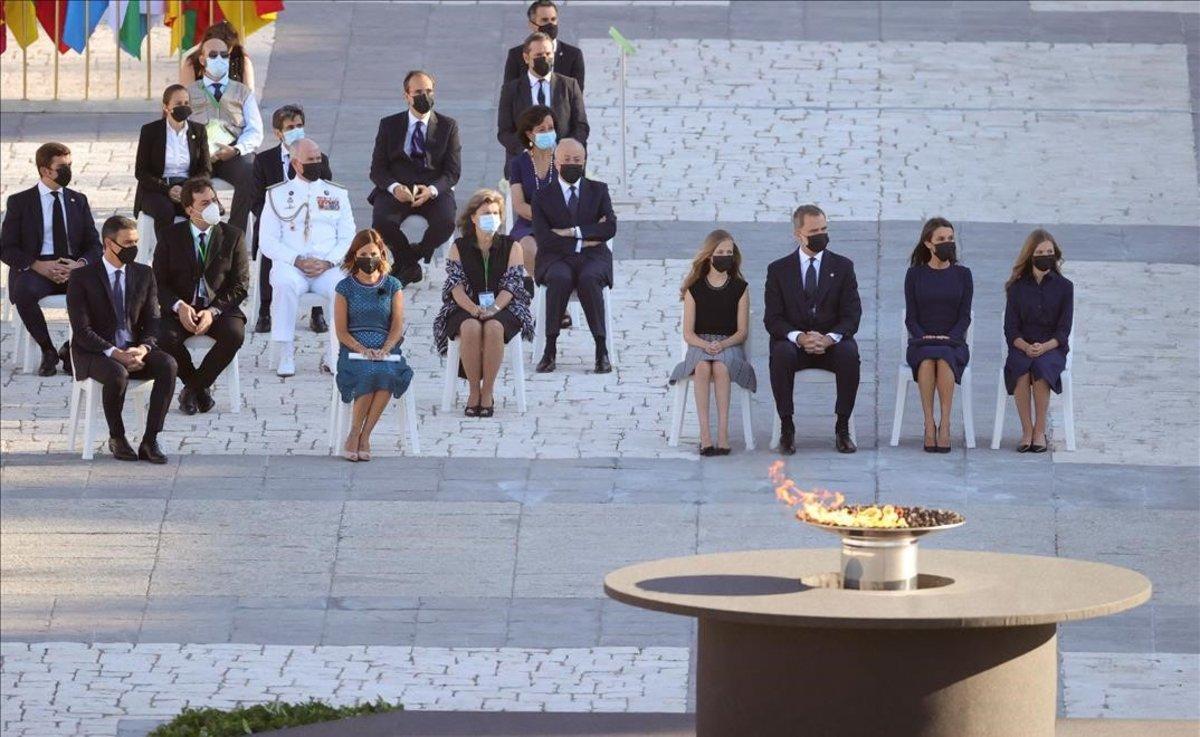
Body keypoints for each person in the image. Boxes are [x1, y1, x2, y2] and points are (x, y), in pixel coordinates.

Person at [66, 216, 178, 464]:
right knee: (117, 374)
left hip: (133, 348)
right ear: (109, 243)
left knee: (168, 365)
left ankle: (150, 440)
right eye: (127, 243)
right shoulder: (82, 277)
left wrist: (143, 348)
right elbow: (82, 330)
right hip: (95, 352)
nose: (133, 249)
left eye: (136, 242)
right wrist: (115, 353)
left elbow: (153, 320)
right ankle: (117, 437)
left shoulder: (144, 274)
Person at [764, 204, 862, 455]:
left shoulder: (843, 267)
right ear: (798, 234)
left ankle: (842, 427)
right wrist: (800, 337)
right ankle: (787, 427)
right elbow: (772, 319)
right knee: (781, 353)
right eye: (814, 230)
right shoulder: (778, 270)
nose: (822, 235)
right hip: (795, 345)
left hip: (830, 344)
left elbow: (852, 316)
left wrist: (829, 339)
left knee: (850, 353)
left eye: (824, 229)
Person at [0, 142, 102, 376]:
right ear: (45, 170)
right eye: (62, 166)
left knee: (105, 291)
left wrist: (80, 265)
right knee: (23, 292)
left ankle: (72, 348)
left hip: (73, 266)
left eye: (70, 164)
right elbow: (6, 248)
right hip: (36, 266)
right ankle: (48, 350)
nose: (68, 170)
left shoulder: (79, 200)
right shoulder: (20, 202)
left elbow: (94, 245)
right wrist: (37, 265)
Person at [258, 138, 355, 377]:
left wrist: (329, 261)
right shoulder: (277, 195)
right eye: (310, 160)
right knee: (284, 283)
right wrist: (296, 260)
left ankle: (336, 354)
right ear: (296, 163)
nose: (316, 164)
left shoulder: (337, 193)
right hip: (293, 265)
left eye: (318, 159)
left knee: (342, 288)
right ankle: (286, 352)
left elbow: (348, 236)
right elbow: (267, 241)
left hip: (327, 265)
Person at [433, 189, 534, 416]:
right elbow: (455, 286)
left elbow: (512, 285)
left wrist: (493, 309)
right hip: (465, 305)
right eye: (486, 212)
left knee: (494, 327)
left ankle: (487, 391)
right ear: (474, 217)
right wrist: (473, 308)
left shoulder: (512, 247)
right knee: (470, 326)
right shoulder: (458, 247)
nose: (492, 217)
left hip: (504, 306)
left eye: (496, 213)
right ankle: (473, 392)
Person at [153, 178, 249, 416]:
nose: (213, 205)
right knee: (164, 337)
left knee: (234, 335)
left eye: (214, 199)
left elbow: (241, 285)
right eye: (205, 202)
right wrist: (179, 306)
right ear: (189, 209)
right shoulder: (169, 237)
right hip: (182, 308)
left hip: (219, 309)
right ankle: (199, 389)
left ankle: (193, 388)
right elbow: (158, 283)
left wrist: (213, 311)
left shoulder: (233, 236)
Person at [368, 70, 462, 286]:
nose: (424, 96)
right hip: (398, 189)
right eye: (418, 91)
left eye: (428, 91)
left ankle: (410, 261)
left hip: (433, 191)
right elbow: (377, 169)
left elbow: (453, 172)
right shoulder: (389, 125)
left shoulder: (448, 126)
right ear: (407, 96)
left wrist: (432, 190)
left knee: (446, 222)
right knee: (382, 222)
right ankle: (410, 265)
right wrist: (394, 187)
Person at [531, 138, 616, 374]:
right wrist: (585, 239)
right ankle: (550, 349)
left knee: (590, 280)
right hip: (555, 258)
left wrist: (572, 233)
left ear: (585, 161)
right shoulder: (542, 196)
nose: (572, 164)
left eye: (577, 160)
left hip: (594, 258)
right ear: (556, 162)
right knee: (559, 279)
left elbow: (609, 228)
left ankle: (601, 349)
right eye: (567, 160)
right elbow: (544, 238)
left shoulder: (599, 190)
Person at [669, 230, 756, 456]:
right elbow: (688, 333)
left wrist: (723, 345)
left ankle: (723, 434)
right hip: (700, 343)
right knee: (702, 367)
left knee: (719, 366)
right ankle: (705, 434)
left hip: (730, 345)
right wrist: (704, 344)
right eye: (720, 252)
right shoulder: (694, 289)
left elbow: (742, 331)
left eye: (729, 252)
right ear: (709, 255)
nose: (725, 256)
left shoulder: (740, 288)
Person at [250, 104, 333, 335]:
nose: (295, 130)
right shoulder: (264, 161)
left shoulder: (319, 159)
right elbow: (256, 200)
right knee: (271, 247)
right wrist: (280, 221)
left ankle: (317, 311)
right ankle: (265, 309)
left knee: (316, 246)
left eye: (299, 126)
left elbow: (327, 196)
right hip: (275, 224)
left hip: (310, 225)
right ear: (278, 132)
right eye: (290, 127)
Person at [333, 229, 414, 462]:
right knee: (369, 371)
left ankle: (364, 435)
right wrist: (362, 349)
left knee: (386, 372)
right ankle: (354, 434)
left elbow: (397, 325)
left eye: (373, 253)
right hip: (354, 348)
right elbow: (341, 331)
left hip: (385, 347)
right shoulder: (344, 288)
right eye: (364, 253)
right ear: (354, 256)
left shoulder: (393, 285)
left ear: (381, 255)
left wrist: (386, 348)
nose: (369, 258)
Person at [904, 217, 973, 453]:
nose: (947, 243)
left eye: (950, 239)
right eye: (941, 239)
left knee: (943, 358)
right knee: (926, 360)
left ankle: (945, 423)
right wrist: (924, 337)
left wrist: (950, 337)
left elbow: (965, 316)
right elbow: (911, 317)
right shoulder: (914, 275)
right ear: (928, 244)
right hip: (921, 341)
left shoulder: (963, 274)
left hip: (953, 342)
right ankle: (928, 424)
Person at [1004, 229, 1074, 454]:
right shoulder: (1016, 288)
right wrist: (1025, 346)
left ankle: (1040, 430)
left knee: (1042, 367)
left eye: (1050, 252)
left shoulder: (1065, 287)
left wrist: (1044, 347)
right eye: (1041, 252)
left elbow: (1064, 330)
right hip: (1022, 346)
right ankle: (1026, 430)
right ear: (1030, 255)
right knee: (1021, 368)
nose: (1046, 256)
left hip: (1052, 347)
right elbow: (1010, 329)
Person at [185, 34, 263, 235]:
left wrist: (237, 149)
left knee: (250, 172)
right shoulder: (189, 92)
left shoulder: (242, 92)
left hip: (232, 152)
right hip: (200, 154)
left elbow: (255, 130)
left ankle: (234, 235)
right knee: (190, 180)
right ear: (202, 60)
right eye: (213, 55)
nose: (219, 59)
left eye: (223, 55)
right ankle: (200, 233)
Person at [134, 85, 212, 241]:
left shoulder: (199, 131)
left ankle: (197, 255)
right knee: (165, 211)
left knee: (202, 211)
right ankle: (166, 255)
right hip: (156, 188)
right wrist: (168, 189)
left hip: (188, 187)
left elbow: (206, 169)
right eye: (178, 104)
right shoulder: (151, 131)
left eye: (186, 103)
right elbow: (141, 172)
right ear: (166, 107)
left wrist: (187, 189)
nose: (183, 107)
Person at [497, 32, 589, 162]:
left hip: (563, 163)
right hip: (524, 163)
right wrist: (527, 150)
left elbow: (581, 126)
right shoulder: (510, 90)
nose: (545, 58)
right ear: (526, 58)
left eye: (548, 54)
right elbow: (504, 132)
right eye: (539, 55)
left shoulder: (570, 86)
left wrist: (565, 149)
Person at [506, 104, 556, 288]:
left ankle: (554, 299)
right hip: (529, 224)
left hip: (561, 222)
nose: (548, 133)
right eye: (541, 130)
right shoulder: (518, 163)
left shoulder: (562, 159)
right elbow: (519, 204)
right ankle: (550, 292)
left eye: (551, 129)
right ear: (529, 134)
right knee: (528, 247)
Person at [503, 0, 585, 91]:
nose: (550, 24)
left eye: (553, 19)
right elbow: (509, 93)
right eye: (544, 20)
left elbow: (576, 95)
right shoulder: (516, 54)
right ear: (532, 25)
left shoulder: (573, 55)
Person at [179, 20, 257, 91]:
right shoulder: (192, 63)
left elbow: (249, 97)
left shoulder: (242, 60)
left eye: (224, 53)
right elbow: (187, 96)